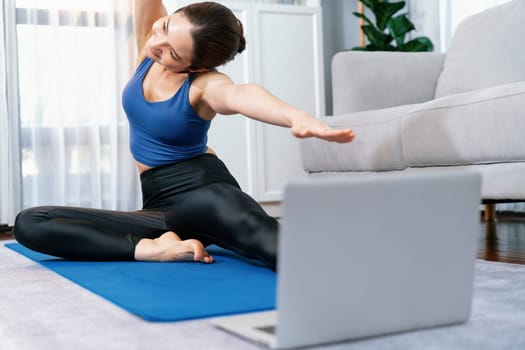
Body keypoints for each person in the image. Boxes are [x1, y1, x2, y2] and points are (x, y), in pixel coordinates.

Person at [13, 1, 355, 270]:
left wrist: (296, 116)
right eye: (164, 28)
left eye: (173, 53)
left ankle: (354, 271)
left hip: (205, 194)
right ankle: (151, 250)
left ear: (197, 68)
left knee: (265, 237)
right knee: (32, 223)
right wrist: (150, 243)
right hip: (160, 211)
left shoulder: (205, 86)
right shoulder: (150, 49)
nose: (157, 43)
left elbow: (241, 95)